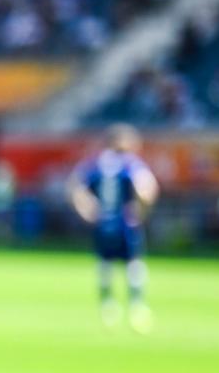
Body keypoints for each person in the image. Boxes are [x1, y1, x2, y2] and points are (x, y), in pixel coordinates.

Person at [68, 125, 158, 331]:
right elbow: (146, 189)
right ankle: (137, 308)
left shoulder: (95, 164)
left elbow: (75, 187)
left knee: (104, 265)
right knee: (133, 265)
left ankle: (108, 307)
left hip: (103, 222)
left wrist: (87, 210)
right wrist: (141, 211)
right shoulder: (131, 164)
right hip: (127, 223)